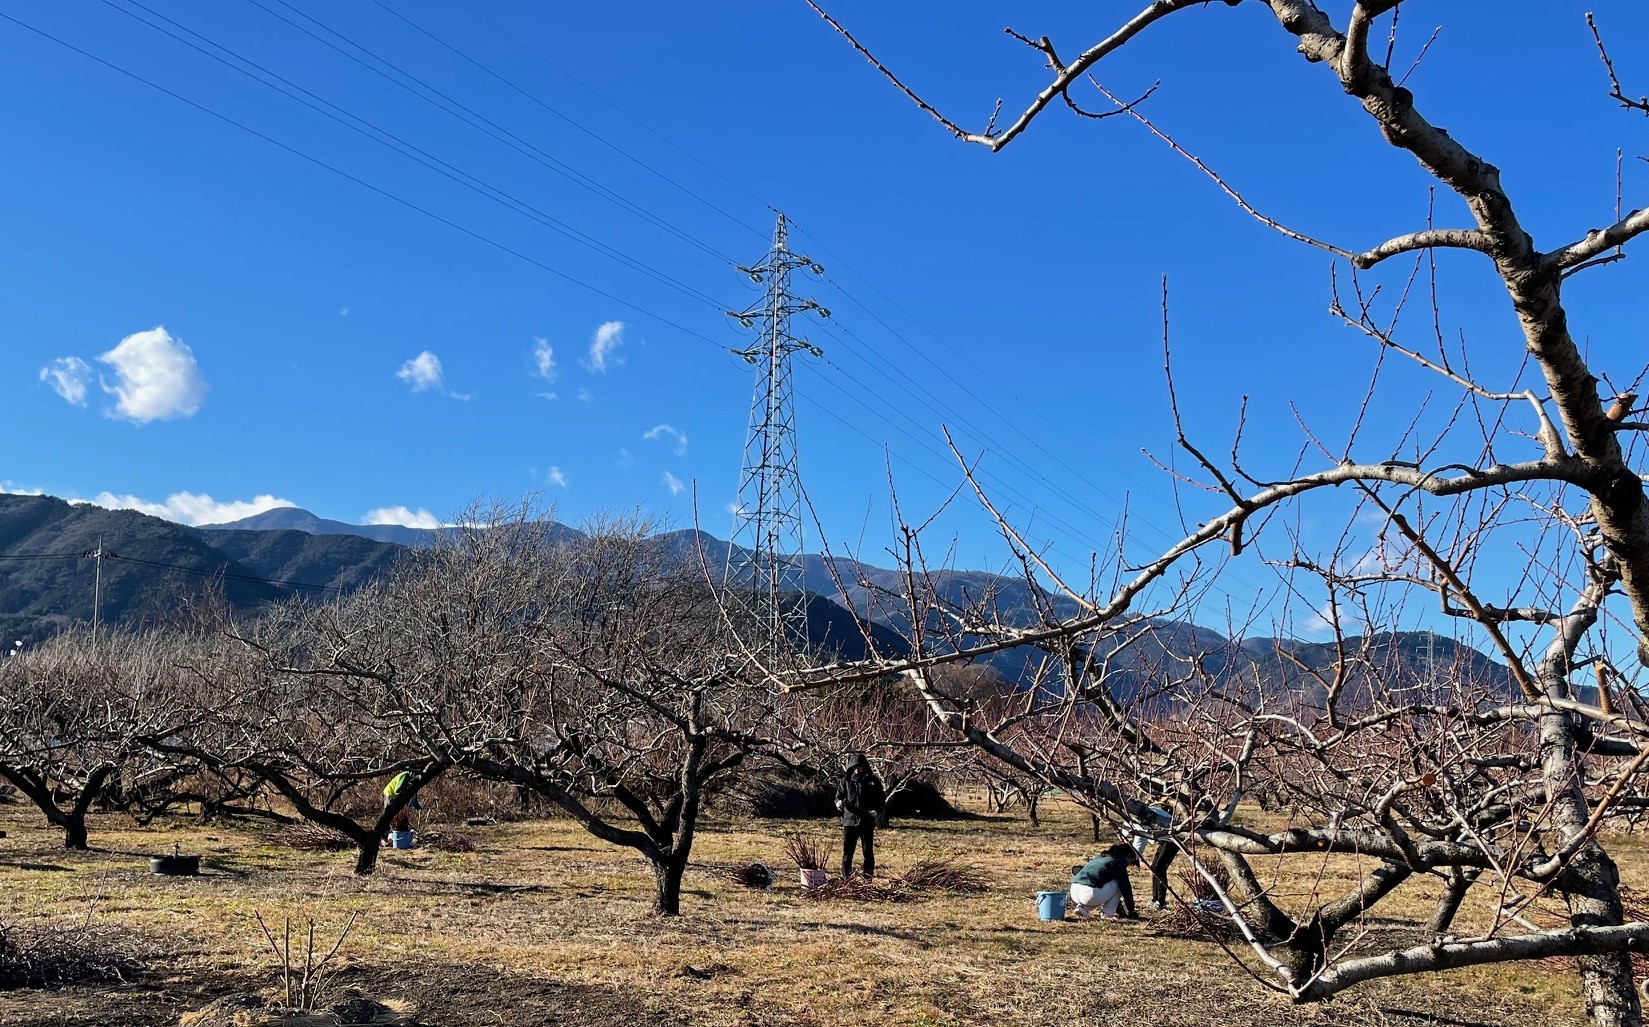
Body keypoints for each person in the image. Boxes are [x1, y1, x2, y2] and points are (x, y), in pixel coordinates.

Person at [834, 753, 887, 879]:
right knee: (848, 853)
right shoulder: (845, 781)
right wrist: (838, 803)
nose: (858, 769)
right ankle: (845, 878)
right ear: (852, 767)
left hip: (867, 822)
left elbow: (881, 799)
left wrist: (877, 812)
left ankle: (868, 878)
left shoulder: (872, 781)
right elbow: (838, 797)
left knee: (867, 852)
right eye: (855, 767)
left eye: (860, 767)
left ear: (864, 767)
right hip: (850, 821)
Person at [1069, 843, 1140, 920]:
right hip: (1089, 894)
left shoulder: (1100, 858)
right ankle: (1108, 914)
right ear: (1128, 856)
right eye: (1131, 863)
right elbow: (1126, 888)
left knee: (1100, 886)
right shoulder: (1117, 863)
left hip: (1074, 891)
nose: (1129, 865)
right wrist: (1131, 909)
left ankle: (1083, 908)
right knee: (1119, 883)